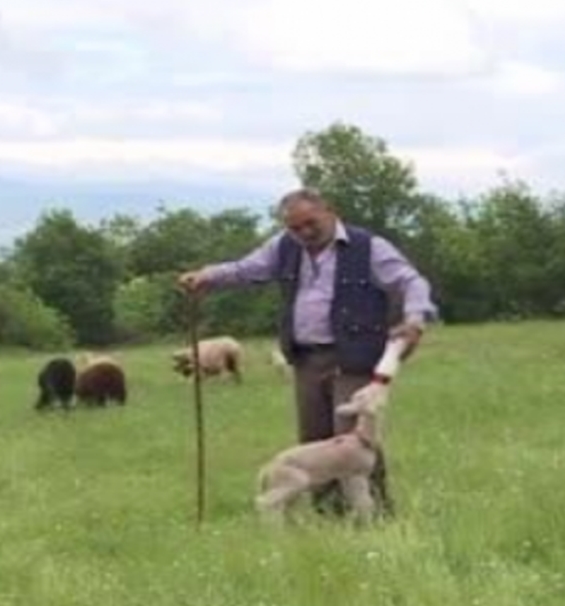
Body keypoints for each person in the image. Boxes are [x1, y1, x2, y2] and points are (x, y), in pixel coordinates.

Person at [178, 187, 438, 518]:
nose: (303, 233)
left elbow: (410, 281)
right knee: (314, 441)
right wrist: (208, 276)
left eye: (310, 223)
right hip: (306, 359)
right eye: (294, 227)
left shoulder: (368, 246)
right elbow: (247, 268)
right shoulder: (284, 246)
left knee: (353, 442)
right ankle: (330, 517)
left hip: (354, 356)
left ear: (329, 211)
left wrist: (415, 319)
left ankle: (377, 518)